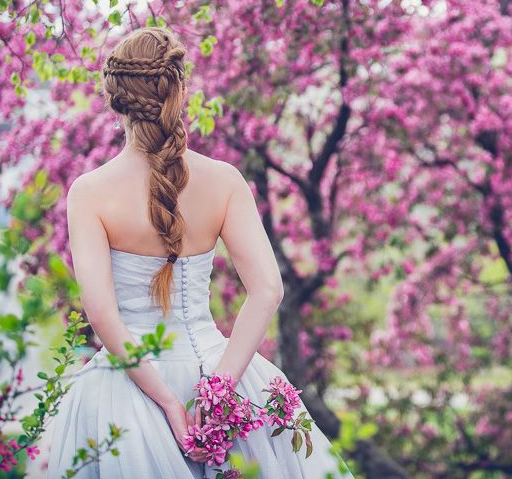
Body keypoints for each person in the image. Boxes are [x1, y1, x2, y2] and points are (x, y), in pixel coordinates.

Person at [46, 26, 353, 479]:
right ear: (180, 91)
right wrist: (223, 388)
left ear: (114, 99)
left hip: (125, 391)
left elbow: (101, 312)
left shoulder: (89, 193)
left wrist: (168, 402)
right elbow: (267, 289)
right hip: (220, 367)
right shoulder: (225, 180)